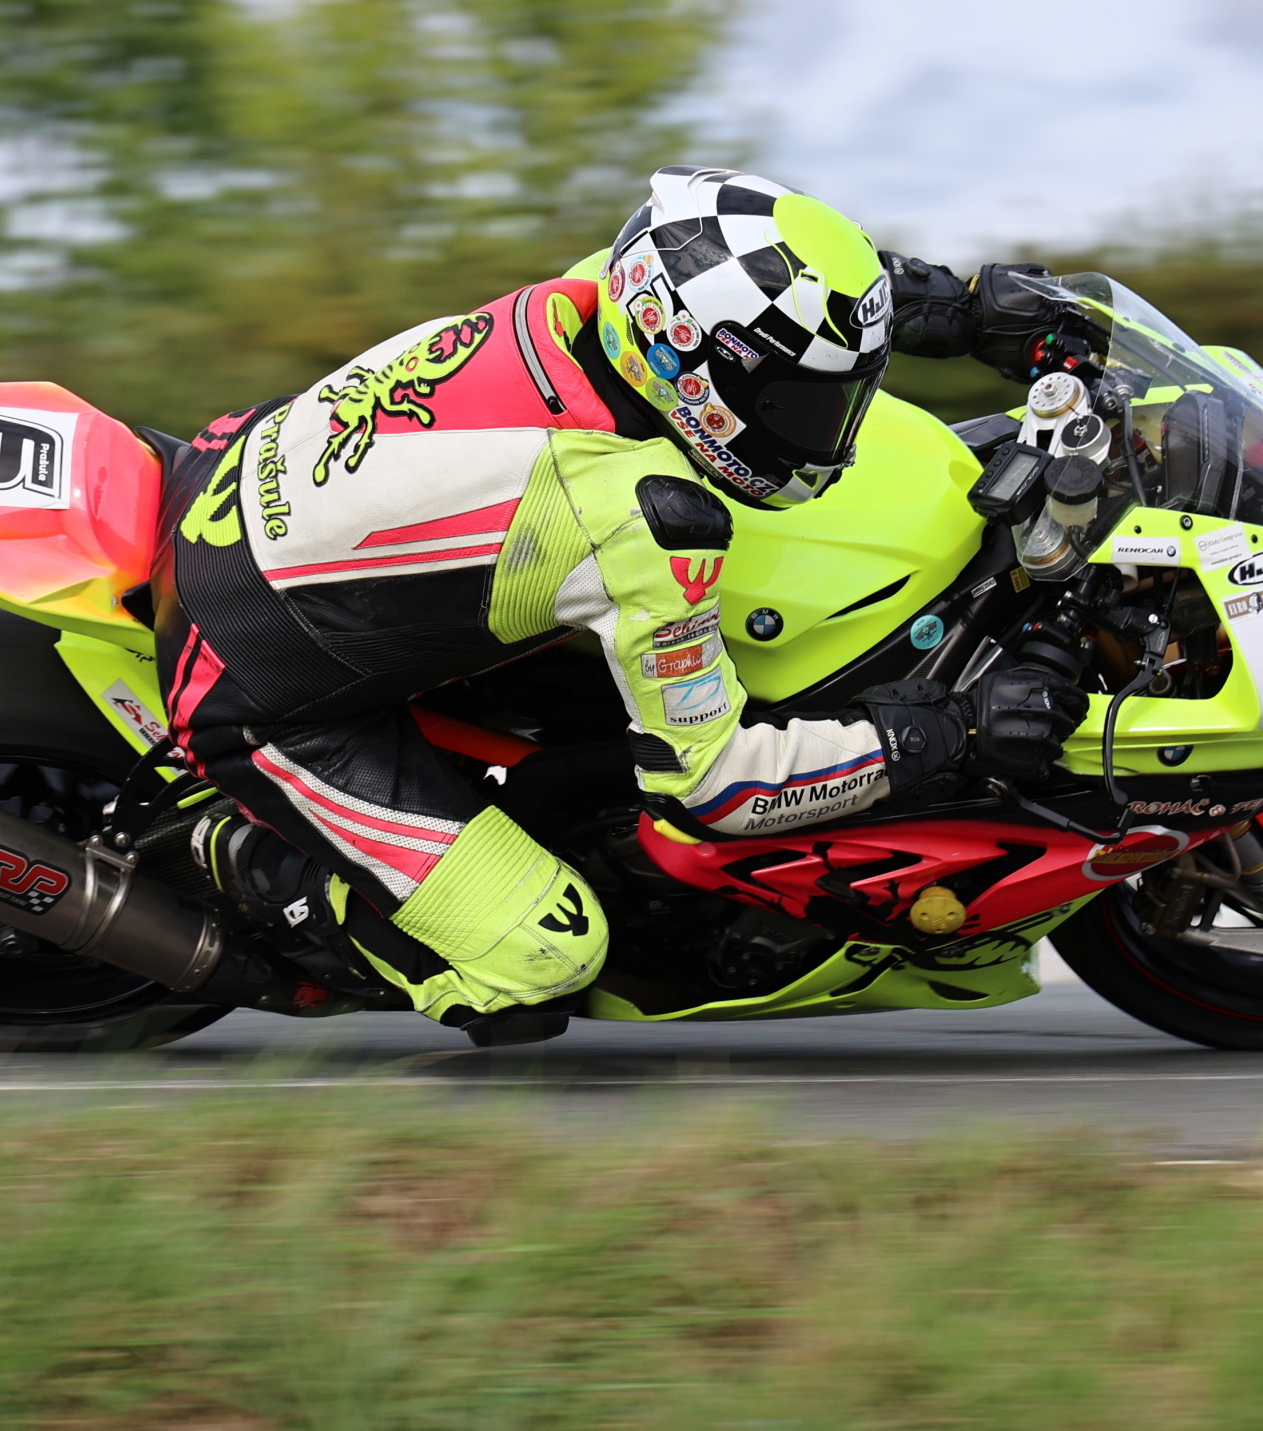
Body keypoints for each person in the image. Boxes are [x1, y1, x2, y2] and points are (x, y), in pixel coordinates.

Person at [155, 167, 1090, 1044]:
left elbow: (772, 291)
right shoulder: (639, 518)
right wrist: (946, 734)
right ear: (700, 374)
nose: (829, 433)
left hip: (245, 479)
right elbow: (716, 786)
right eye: (801, 406)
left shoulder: (614, 293)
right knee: (547, 958)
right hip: (254, 679)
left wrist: (961, 308)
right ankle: (254, 864)